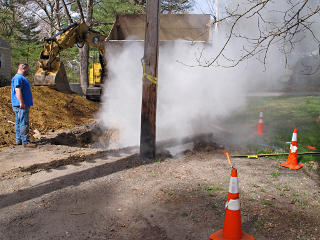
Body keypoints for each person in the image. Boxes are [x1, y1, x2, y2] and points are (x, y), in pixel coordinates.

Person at [11, 63, 36, 147]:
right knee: (23, 122)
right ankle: (25, 142)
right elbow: (17, 90)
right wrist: (21, 102)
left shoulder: (19, 78)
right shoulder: (18, 78)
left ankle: (19, 140)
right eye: (27, 69)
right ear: (23, 68)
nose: (28, 71)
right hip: (21, 104)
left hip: (19, 104)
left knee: (18, 122)